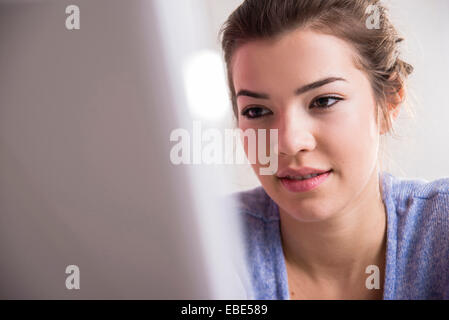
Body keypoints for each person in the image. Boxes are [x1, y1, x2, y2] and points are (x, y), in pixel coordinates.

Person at [220, 0, 449, 299]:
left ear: (390, 101)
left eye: (324, 101)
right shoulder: (208, 242)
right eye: (256, 111)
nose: (289, 142)